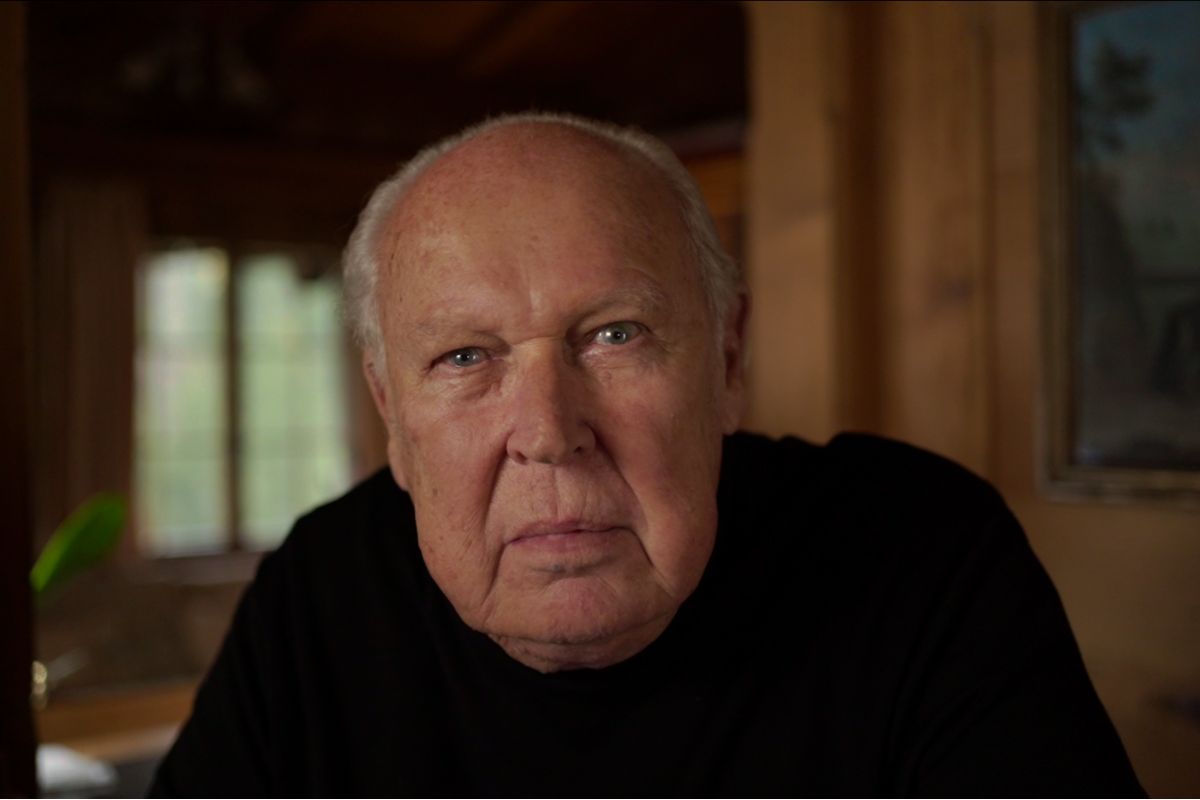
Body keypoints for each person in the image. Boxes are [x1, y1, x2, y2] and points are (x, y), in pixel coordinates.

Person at [151, 113, 1143, 795]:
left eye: (614, 334)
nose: (550, 432)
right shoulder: (315, 596)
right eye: (464, 356)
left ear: (728, 359)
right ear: (388, 412)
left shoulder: (923, 554)